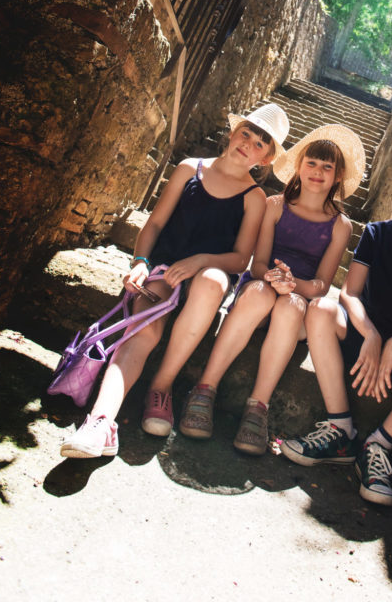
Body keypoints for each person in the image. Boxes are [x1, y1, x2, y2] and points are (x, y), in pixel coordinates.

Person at [60, 103, 289, 460]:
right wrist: (140, 262)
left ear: (267, 159)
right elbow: (153, 224)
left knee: (213, 280)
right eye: (247, 132)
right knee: (145, 331)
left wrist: (200, 260)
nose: (249, 143)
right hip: (164, 269)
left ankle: (161, 387)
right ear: (232, 133)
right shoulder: (189, 169)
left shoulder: (254, 198)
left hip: (208, 277)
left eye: (261, 143)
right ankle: (101, 423)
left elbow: (239, 259)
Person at [280, 159, 392, 508]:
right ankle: (340, 430)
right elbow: (348, 293)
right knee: (320, 309)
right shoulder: (377, 233)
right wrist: (373, 335)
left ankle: (378, 444)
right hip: (361, 342)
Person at [178, 124, 366, 455]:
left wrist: (294, 286)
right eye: (311, 163)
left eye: (327, 167)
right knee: (263, 294)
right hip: (261, 289)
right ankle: (205, 388)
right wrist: (273, 280)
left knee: (291, 304)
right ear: (299, 165)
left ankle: (258, 408)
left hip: (298, 301)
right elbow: (258, 263)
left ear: (338, 177)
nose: (317, 172)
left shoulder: (341, 225)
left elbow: (323, 284)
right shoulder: (275, 205)